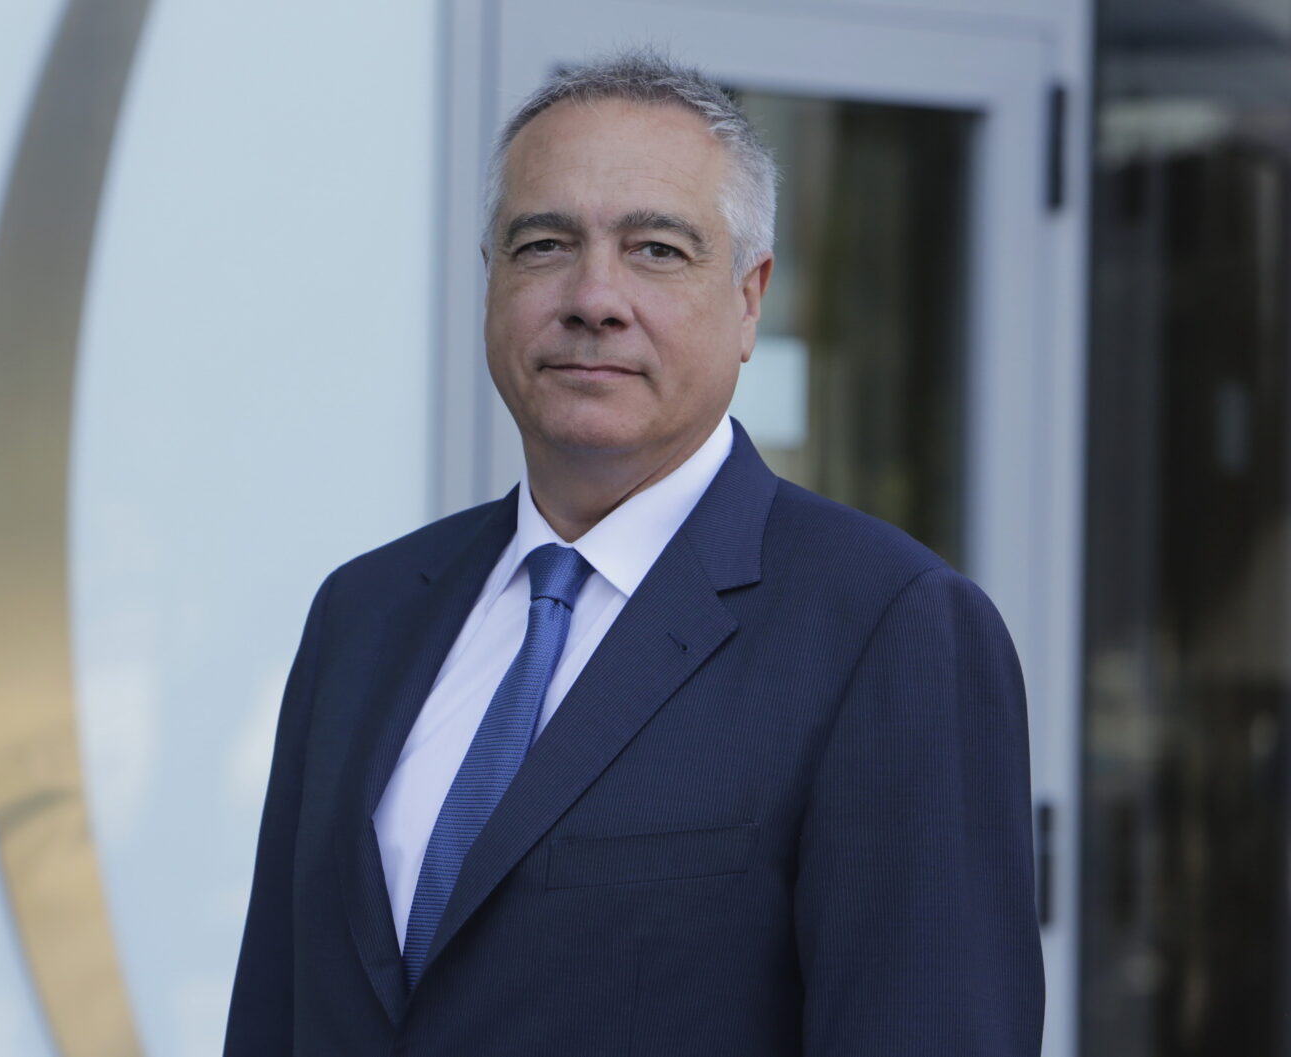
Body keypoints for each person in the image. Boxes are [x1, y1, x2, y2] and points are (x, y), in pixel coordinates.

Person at [224, 50, 1044, 1056]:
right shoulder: (365, 611)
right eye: (545, 244)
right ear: (491, 280)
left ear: (750, 299)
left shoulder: (887, 628)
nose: (594, 296)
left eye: (656, 249)